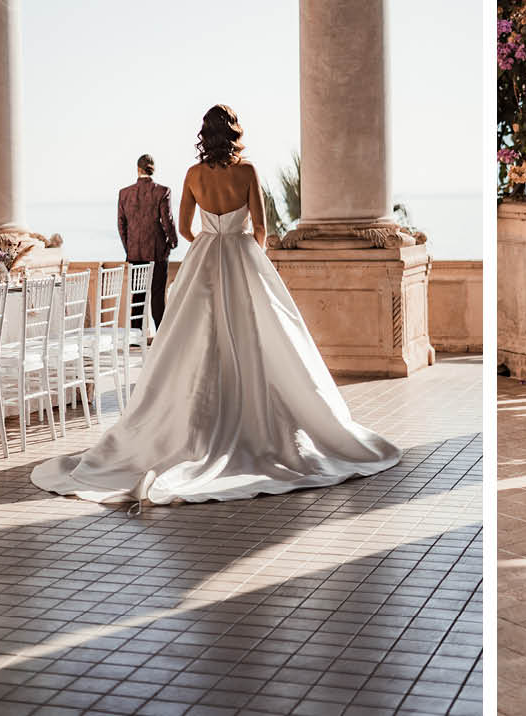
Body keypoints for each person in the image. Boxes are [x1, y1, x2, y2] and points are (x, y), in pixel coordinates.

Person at [32, 105, 401, 505]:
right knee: (261, 336)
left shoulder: (192, 175)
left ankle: (193, 427)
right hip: (243, 255)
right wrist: (246, 252)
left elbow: (186, 228)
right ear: (234, 134)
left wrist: (212, 238)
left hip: (206, 255)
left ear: (204, 136)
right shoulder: (247, 172)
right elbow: (261, 226)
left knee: (192, 340)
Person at [117, 154, 176, 330]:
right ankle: (161, 336)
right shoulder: (162, 191)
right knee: (158, 295)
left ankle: (136, 337)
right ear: (153, 169)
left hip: (135, 253)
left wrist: (130, 248)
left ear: (138, 169)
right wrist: (172, 243)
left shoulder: (124, 193)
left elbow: (121, 225)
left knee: (138, 296)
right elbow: (168, 221)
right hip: (157, 251)